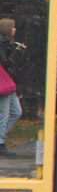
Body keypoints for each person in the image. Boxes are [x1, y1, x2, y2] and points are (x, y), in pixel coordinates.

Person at [0, 18, 24, 158]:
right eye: (12, 27)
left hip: (10, 84)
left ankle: (1, 137)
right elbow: (6, 63)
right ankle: (1, 143)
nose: (15, 29)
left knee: (16, 112)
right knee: (3, 114)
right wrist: (16, 52)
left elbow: (14, 68)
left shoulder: (9, 43)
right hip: (3, 83)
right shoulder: (2, 44)